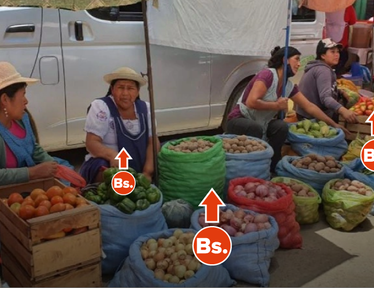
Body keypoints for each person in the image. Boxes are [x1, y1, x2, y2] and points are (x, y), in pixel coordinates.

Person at [226, 46, 348, 173]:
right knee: (254, 128)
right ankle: (252, 168)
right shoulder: (267, 74)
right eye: (296, 59)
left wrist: (334, 125)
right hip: (240, 119)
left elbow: (309, 106)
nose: (299, 64)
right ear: (285, 60)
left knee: (281, 126)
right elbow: (252, 102)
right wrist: (276, 106)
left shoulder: (289, 86)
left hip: (261, 123)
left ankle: (272, 168)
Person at [80, 67, 160, 184]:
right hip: (111, 165)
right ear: (112, 89)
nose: (125, 93)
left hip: (138, 165)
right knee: (106, 172)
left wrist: (148, 172)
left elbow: (152, 141)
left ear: (137, 92)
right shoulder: (101, 107)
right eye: (120, 87)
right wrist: (112, 155)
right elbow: (92, 142)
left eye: (131, 88)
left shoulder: (145, 108)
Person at [0, 62, 58, 186]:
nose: (26, 101)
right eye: (23, 95)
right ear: (5, 99)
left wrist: (52, 165)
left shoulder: (22, 119)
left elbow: (33, 147)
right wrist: (31, 172)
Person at [296, 38, 357, 124]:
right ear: (322, 55)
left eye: (337, 52)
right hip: (310, 118)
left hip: (303, 113)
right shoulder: (323, 70)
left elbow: (320, 88)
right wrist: (343, 111)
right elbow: (325, 98)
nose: (337, 55)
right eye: (332, 52)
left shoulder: (318, 67)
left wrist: (339, 92)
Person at [336, 5, 357, 76]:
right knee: (342, 58)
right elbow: (353, 21)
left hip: (327, 40)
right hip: (341, 42)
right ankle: (335, 76)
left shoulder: (325, 5)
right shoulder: (348, 7)